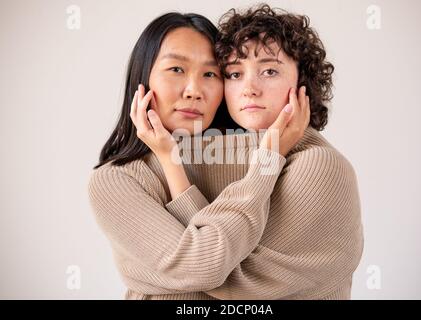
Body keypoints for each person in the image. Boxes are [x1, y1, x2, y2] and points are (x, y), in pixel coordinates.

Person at [88, 10, 310, 300]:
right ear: (142, 78)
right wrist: (170, 160)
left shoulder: (283, 160)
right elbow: (204, 268)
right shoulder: (115, 181)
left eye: (210, 74)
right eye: (176, 69)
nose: (194, 91)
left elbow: (215, 268)